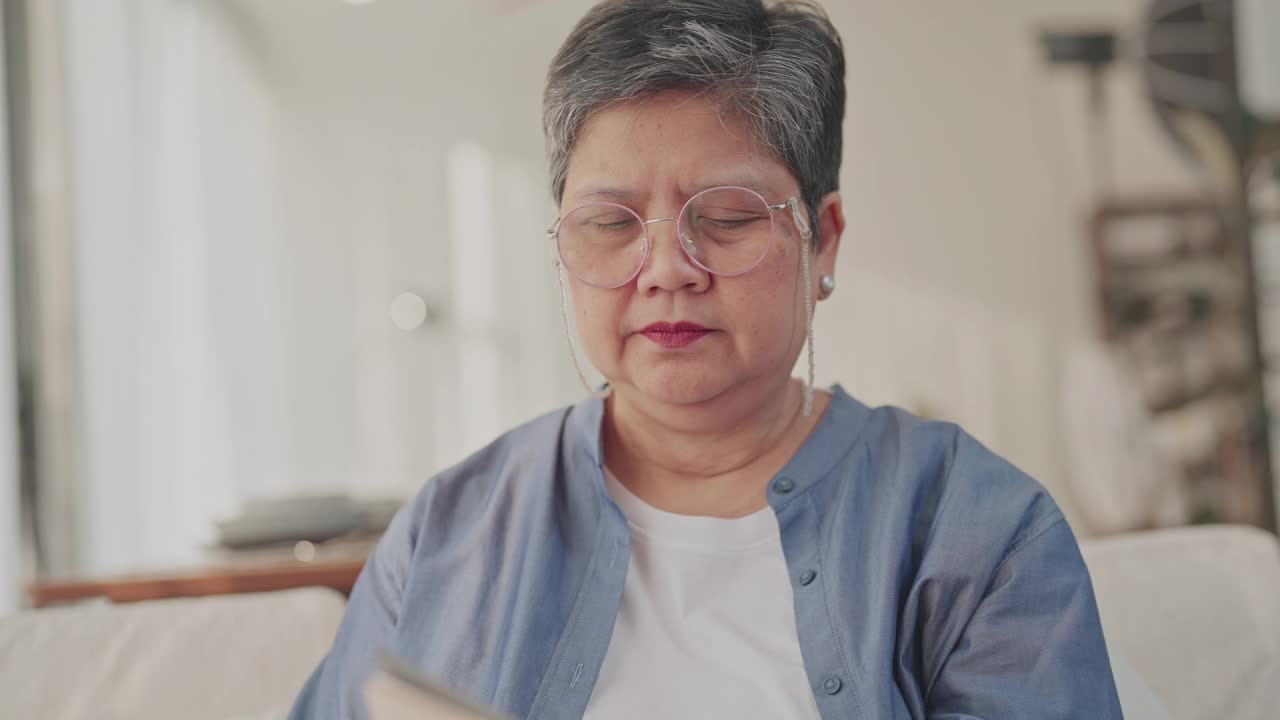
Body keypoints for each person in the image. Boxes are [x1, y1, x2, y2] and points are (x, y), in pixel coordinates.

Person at [290, 1, 1123, 718]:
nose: (666, 269)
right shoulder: (451, 533)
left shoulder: (975, 533)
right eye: (612, 223)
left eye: (726, 217)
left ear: (822, 239)